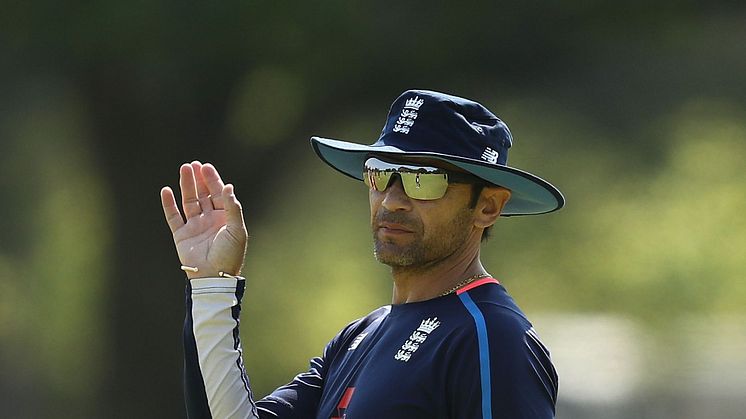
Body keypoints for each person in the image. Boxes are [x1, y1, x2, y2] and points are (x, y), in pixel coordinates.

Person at [161, 89, 564, 419]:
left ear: (488, 207)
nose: (392, 200)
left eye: (423, 180)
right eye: (379, 173)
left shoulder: (490, 336)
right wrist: (212, 285)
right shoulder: (360, 336)